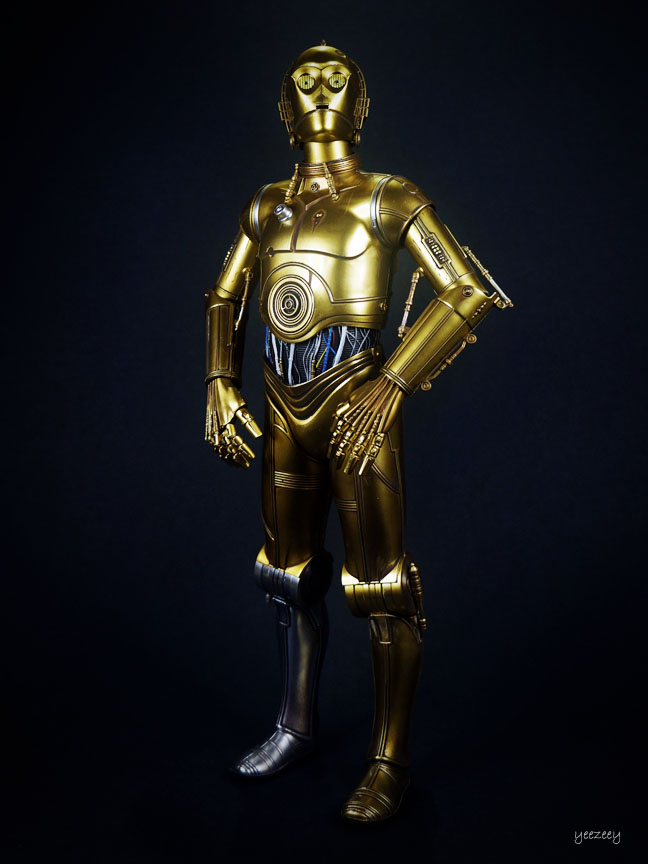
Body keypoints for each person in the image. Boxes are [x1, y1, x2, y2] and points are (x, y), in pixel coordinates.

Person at [204, 42, 511, 822]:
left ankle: (388, 760)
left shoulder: (387, 198)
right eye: (303, 80)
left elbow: (466, 290)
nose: (320, 88)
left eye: (337, 78)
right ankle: (294, 725)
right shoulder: (264, 204)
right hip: (281, 409)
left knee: (381, 587)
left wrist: (393, 381)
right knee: (285, 576)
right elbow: (225, 296)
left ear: (361, 104)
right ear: (284, 108)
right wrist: (218, 382)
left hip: (357, 410)